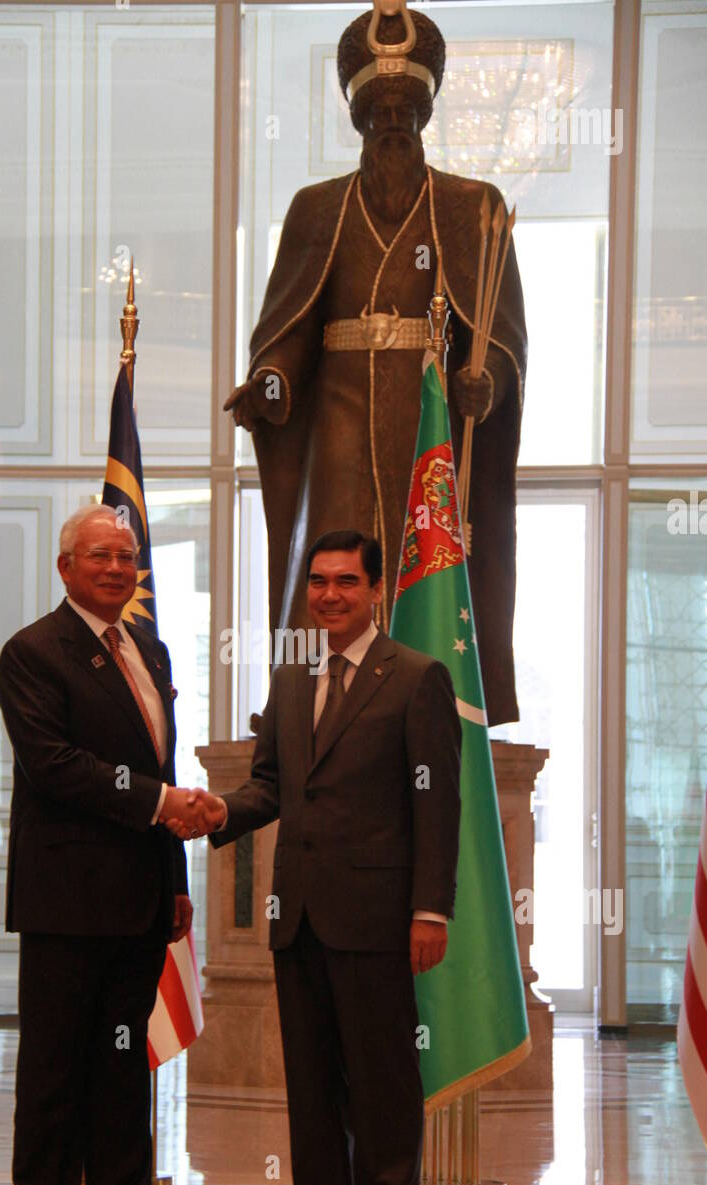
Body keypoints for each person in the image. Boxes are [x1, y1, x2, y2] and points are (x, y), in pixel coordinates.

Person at [166, 530, 461, 1185]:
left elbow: (437, 804)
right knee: (313, 1081)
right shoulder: (293, 678)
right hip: (296, 915)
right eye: (319, 583)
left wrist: (431, 909)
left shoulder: (416, 678)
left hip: (378, 918)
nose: (330, 595)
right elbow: (270, 785)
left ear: (375, 591)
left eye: (346, 582)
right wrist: (218, 814)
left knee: (383, 1081)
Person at [224, 0, 527, 726]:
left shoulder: (473, 207)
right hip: (338, 426)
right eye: (378, 107)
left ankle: (439, 701)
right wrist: (272, 381)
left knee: (427, 563)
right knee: (334, 564)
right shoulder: (315, 209)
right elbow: (287, 327)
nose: (393, 120)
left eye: (407, 106)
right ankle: (317, 702)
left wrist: (490, 380)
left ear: (426, 113)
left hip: (430, 424)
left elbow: (505, 333)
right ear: (357, 116)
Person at [0, 503, 206, 1185]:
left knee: (125, 1069)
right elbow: (52, 765)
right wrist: (160, 805)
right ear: (66, 568)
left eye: (127, 557)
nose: (118, 569)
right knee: (55, 1071)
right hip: (66, 901)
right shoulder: (33, 652)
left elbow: (162, 767)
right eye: (100, 557)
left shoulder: (149, 650)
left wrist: (174, 876)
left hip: (140, 901)